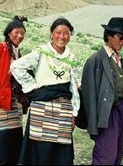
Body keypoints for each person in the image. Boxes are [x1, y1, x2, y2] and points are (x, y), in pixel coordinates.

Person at [10, 17, 80, 165]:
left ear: (70, 35)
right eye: (58, 32)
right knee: (39, 152)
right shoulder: (40, 53)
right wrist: (32, 87)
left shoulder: (71, 58)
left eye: (66, 33)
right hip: (41, 109)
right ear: (51, 33)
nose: (62, 37)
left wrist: (74, 113)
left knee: (60, 152)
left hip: (63, 110)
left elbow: (73, 87)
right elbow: (16, 67)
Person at [81, 17, 123, 165]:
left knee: (118, 153)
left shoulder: (118, 58)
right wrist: (92, 127)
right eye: (121, 37)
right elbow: (89, 96)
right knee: (106, 156)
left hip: (121, 111)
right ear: (109, 35)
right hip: (106, 114)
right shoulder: (95, 60)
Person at [0, 16, 29, 165]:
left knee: (12, 134)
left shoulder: (16, 51)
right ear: (9, 32)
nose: (19, 36)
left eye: (22, 33)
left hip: (11, 99)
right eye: (16, 32)